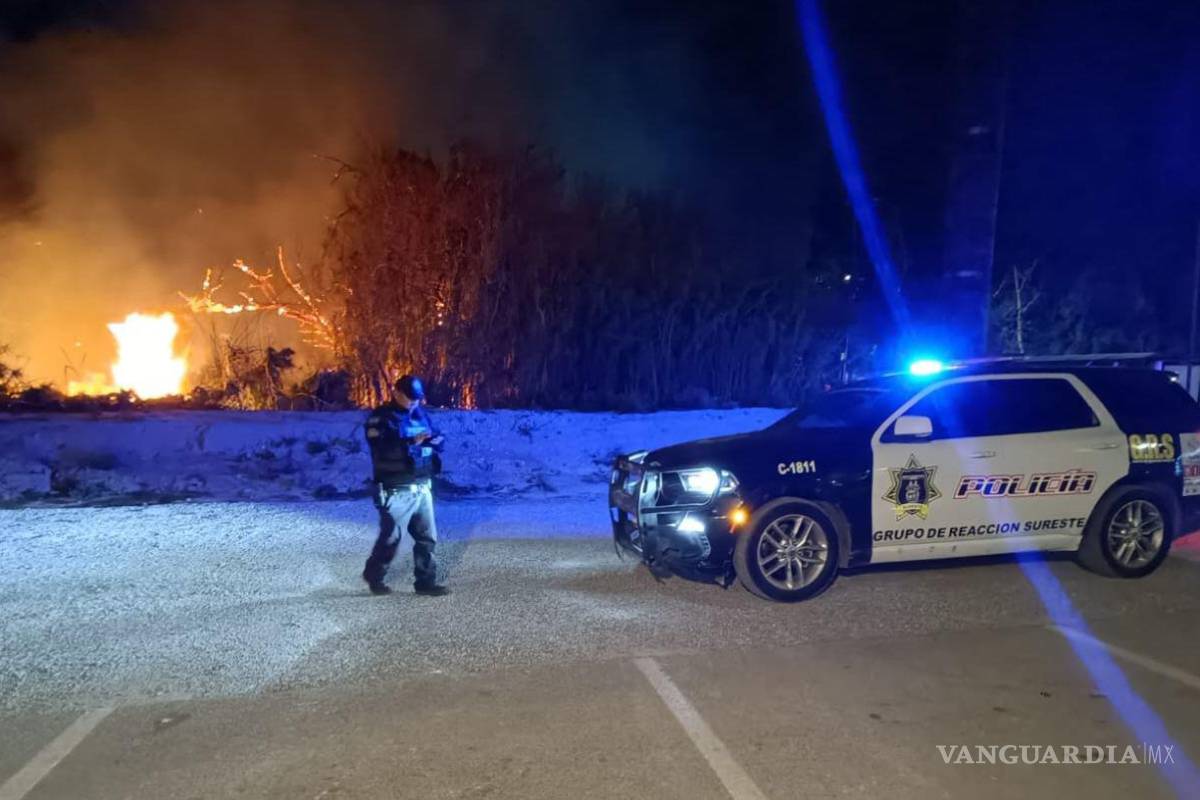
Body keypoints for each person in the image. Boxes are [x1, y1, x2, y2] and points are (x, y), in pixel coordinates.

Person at [361, 374, 450, 596]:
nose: (414, 403)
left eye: (417, 399)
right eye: (410, 398)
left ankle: (425, 582)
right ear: (396, 393)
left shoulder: (420, 415)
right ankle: (374, 574)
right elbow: (382, 449)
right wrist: (411, 442)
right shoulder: (381, 418)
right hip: (395, 488)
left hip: (421, 485)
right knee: (391, 538)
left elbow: (438, 437)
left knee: (427, 538)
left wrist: (434, 442)